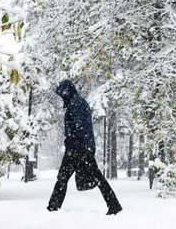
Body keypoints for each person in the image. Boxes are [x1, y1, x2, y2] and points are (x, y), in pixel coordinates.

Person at [47, 79, 122, 215]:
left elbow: (78, 128)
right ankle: (114, 204)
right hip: (83, 147)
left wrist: (73, 145)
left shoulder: (75, 104)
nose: (62, 97)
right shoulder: (79, 102)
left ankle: (53, 207)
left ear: (67, 92)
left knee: (62, 178)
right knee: (97, 177)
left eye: (62, 93)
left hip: (77, 148)